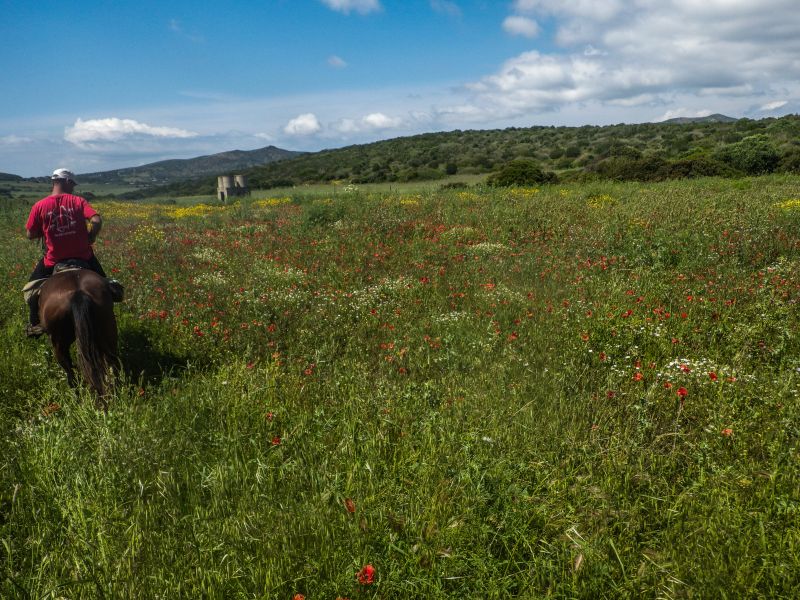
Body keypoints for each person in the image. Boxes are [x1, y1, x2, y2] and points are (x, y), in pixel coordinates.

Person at [24, 168, 117, 337]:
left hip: (53, 261)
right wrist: (91, 236)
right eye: (72, 184)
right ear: (66, 182)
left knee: (30, 292)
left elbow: (30, 234)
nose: (73, 187)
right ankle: (107, 316)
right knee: (108, 287)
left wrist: (45, 231)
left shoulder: (39, 205)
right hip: (84, 257)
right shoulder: (78, 201)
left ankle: (35, 325)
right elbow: (96, 219)